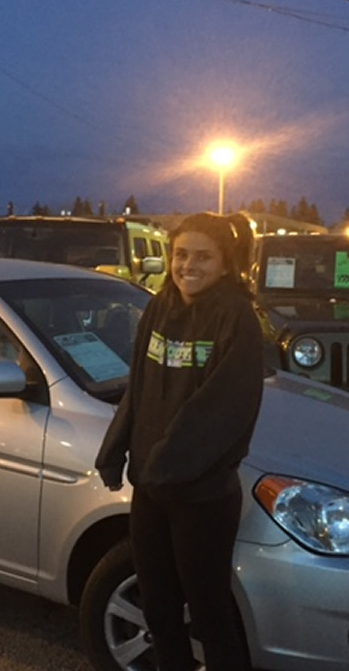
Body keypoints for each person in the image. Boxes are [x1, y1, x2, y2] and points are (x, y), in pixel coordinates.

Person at [95, 212, 265, 671]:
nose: (189, 265)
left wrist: (160, 465)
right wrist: (114, 451)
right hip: (152, 491)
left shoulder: (236, 318)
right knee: (158, 608)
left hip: (202, 497)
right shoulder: (159, 308)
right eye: (182, 254)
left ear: (226, 263)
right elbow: (139, 386)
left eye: (203, 257)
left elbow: (221, 410)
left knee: (209, 615)